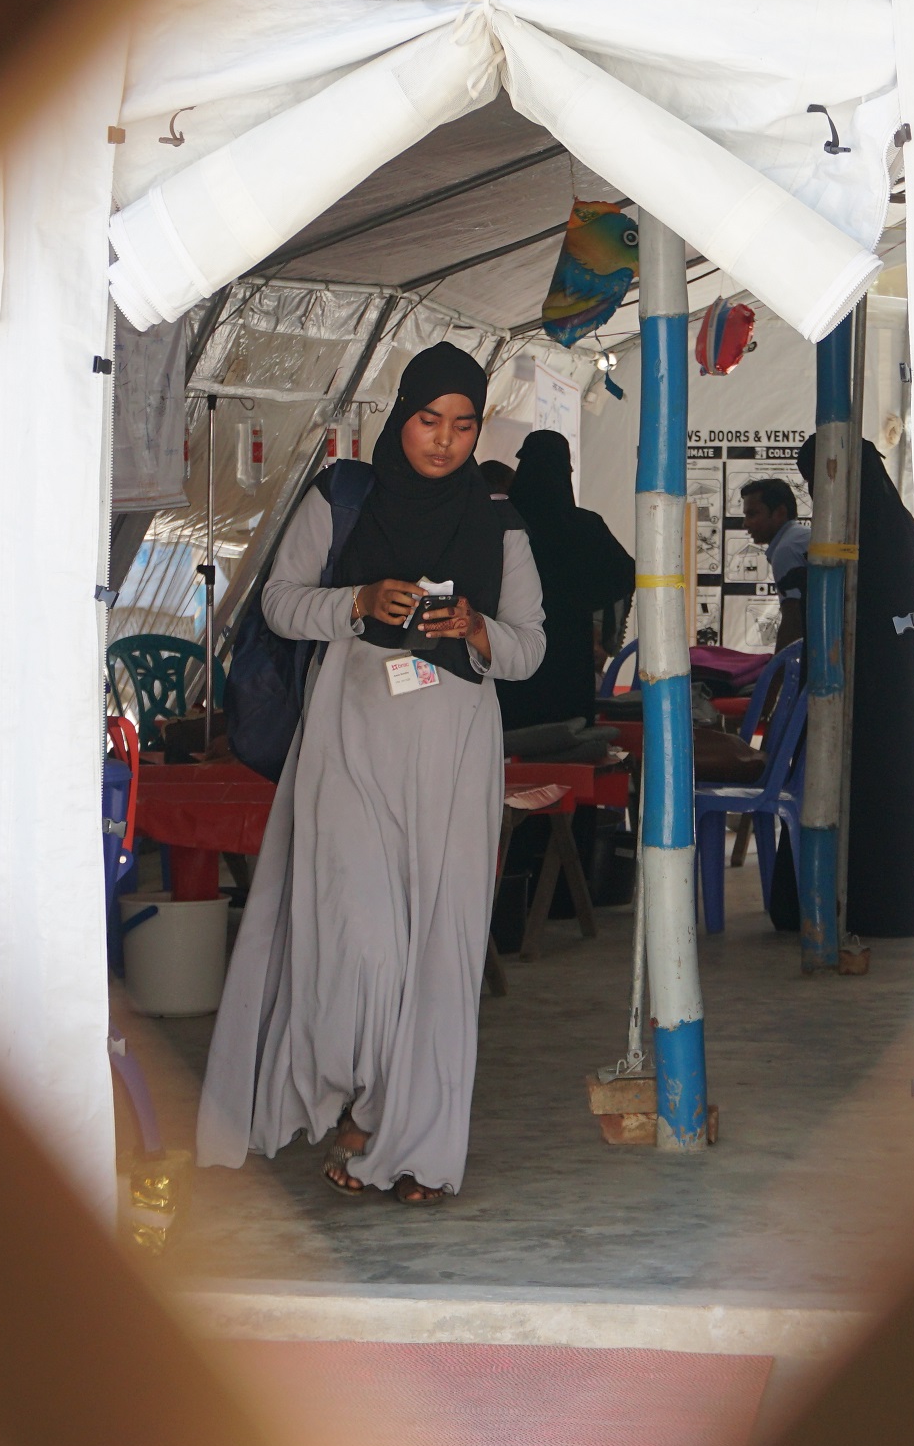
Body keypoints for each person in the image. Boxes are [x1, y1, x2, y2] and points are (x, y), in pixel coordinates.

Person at [196, 344, 546, 1204]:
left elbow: (530, 649)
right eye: (430, 420)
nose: (445, 441)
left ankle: (408, 1144)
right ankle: (357, 1097)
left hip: (455, 752)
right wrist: (355, 603)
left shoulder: (501, 523)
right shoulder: (342, 496)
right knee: (361, 941)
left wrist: (474, 629)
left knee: (439, 950)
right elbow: (279, 604)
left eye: (464, 426)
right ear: (402, 418)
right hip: (350, 739)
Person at [762, 439, 914, 938]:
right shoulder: (896, 527)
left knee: (837, 787)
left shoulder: (845, 536)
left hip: (857, 690)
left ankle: (828, 901)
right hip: (893, 693)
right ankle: (886, 901)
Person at [496, 429, 634, 746]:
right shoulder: (586, 526)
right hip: (569, 658)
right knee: (567, 744)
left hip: (509, 655)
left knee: (510, 746)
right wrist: (601, 630)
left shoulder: (500, 523)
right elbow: (624, 573)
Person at [740, 476, 809, 650]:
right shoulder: (796, 537)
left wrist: (777, 674)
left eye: (752, 514)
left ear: (779, 513)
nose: (745, 523)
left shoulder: (786, 549)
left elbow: (793, 621)